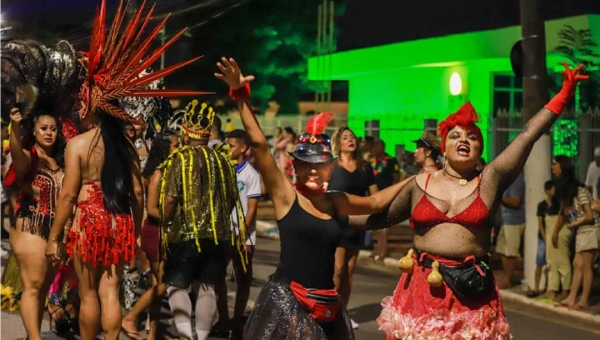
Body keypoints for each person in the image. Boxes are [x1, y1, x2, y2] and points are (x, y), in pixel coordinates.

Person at [353, 62, 587, 339]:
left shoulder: (490, 180)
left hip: (473, 292)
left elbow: (528, 136)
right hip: (423, 289)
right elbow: (379, 218)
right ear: (444, 148)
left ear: (479, 148)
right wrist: (326, 217)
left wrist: (563, 95)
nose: (464, 139)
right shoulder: (420, 183)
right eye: (455, 135)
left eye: (472, 137)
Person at [215, 56, 411, 340]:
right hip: (288, 300)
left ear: (330, 167)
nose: (313, 171)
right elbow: (258, 143)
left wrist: (415, 180)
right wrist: (240, 96)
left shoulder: (335, 200)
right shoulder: (285, 197)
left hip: (327, 300)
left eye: (320, 165)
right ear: (295, 166)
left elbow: (375, 204)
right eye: (306, 165)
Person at [42, 1, 205, 339]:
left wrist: (55, 237)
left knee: (88, 295)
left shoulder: (78, 145)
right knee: (109, 291)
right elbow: (137, 191)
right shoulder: (127, 145)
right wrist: (130, 229)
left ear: (90, 102)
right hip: (119, 221)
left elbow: (70, 194)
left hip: (87, 221)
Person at [159, 100, 244, 340]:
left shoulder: (180, 160)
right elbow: (230, 200)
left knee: (177, 285)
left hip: (183, 235)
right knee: (207, 287)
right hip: (217, 235)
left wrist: (164, 224)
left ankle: (185, 333)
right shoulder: (224, 162)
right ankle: (203, 337)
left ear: (186, 133)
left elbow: (169, 201)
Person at [7, 108, 66, 339]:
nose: (49, 133)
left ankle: (33, 335)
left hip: (54, 230)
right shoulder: (30, 155)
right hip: (30, 225)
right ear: (34, 130)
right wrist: (14, 127)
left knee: (42, 287)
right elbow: (18, 158)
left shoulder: (60, 159)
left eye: (53, 129)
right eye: (44, 128)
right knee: (33, 285)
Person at [121, 130, 180, 340]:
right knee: (165, 284)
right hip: (155, 233)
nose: (179, 148)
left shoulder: (166, 171)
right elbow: (153, 208)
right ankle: (130, 317)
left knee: (157, 286)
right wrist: (175, 218)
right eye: (175, 145)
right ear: (165, 148)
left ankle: (153, 334)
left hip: (160, 232)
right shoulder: (158, 174)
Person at [329, 126, 378, 330]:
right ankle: (330, 311)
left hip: (357, 225)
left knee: (349, 270)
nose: (351, 140)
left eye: (352, 137)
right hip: (336, 224)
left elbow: (375, 195)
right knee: (338, 269)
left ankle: (343, 312)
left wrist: (376, 219)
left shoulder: (364, 167)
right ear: (338, 143)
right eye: (345, 137)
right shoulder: (331, 166)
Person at [216, 129, 262, 339]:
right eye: (226, 145)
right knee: (217, 277)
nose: (227, 149)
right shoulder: (222, 169)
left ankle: (237, 323)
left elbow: (252, 209)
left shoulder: (251, 175)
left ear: (243, 148)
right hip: (222, 234)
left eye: (231, 145)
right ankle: (224, 319)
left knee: (243, 279)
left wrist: (241, 235)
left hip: (243, 238)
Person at [557, 179, 600, 310]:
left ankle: (584, 300)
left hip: (590, 230)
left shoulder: (581, 192)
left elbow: (589, 216)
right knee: (577, 264)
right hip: (582, 231)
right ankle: (572, 297)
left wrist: (574, 224)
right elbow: (577, 215)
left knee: (586, 266)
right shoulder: (573, 198)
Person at [496, 172, 526, 289]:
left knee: (511, 252)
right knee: (501, 249)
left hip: (514, 220)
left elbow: (515, 201)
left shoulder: (517, 179)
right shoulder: (507, 179)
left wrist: (499, 197)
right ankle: (507, 277)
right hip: (505, 220)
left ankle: (509, 279)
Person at [527, 180, 556, 297]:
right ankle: (536, 287)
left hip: (552, 237)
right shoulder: (542, 205)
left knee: (551, 264)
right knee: (540, 263)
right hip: (543, 238)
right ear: (547, 191)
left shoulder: (557, 204)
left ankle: (549, 288)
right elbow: (540, 223)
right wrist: (545, 237)